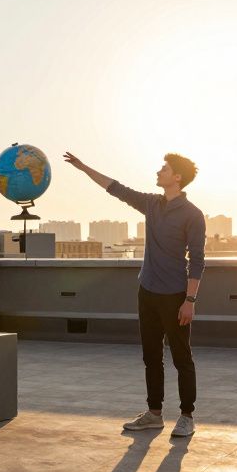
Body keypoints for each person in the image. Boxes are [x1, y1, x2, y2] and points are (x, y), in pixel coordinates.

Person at [63, 151, 206, 437]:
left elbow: (198, 259)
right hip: (148, 291)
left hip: (176, 295)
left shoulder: (193, 215)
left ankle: (187, 416)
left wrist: (189, 301)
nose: (159, 171)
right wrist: (83, 167)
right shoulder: (151, 204)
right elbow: (116, 188)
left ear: (177, 177)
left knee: (181, 357)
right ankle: (154, 414)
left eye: (164, 169)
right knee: (151, 356)